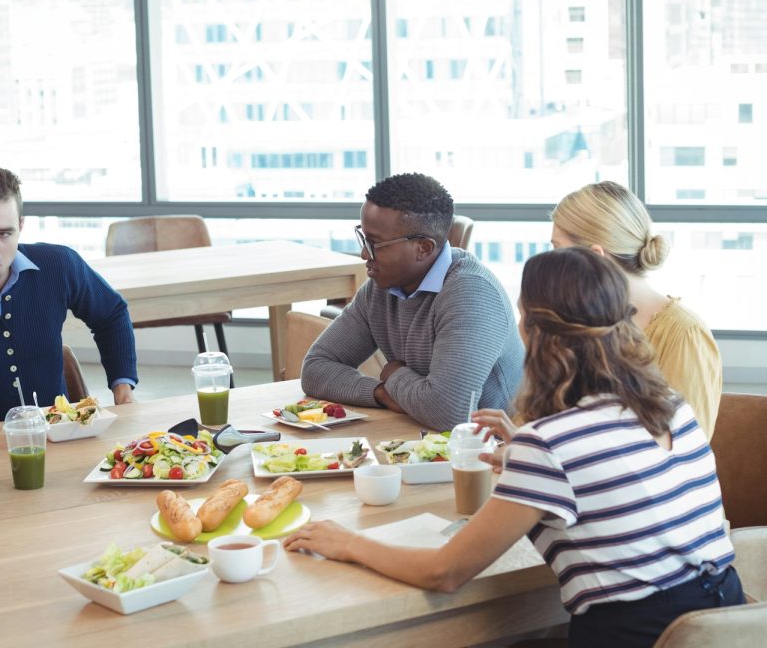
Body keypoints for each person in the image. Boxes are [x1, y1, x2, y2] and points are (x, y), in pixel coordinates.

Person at [286, 248, 744, 648]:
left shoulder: (553, 444)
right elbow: (613, 484)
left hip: (634, 635)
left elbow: (445, 573)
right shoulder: (670, 407)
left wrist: (346, 542)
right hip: (728, 620)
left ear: (535, 332)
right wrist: (526, 459)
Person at [301, 172, 523, 432]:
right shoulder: (381, 287)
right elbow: (315, 368)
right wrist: (381, 392)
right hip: (421, 436)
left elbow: (447, 412)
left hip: (497, 452)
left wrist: (394, 374)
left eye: (375, 244)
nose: (364, 254)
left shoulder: (471, 294)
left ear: (424, 249)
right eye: (363, 238)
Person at [550, 180, 722, 438]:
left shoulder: (686, 335)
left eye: (557, 251)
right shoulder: (579, 322)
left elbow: (685, 448)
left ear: (595, 257)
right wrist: (520, 437)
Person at [0, 166, 138, 425]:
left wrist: (123, 391)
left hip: (56, 435)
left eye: (4, 233)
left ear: (21, 226)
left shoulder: (58, 264)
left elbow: (111, 313)